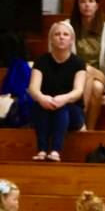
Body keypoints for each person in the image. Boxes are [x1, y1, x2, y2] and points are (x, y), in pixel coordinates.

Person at [28, 21, 86, 161]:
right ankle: (41, 150)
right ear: (51, 39)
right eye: (57, 34)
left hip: (72, 113)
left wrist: (64, 98)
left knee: (62, 108)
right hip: (46, 108)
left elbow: (78, 91)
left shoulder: (78, 62)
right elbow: (33, 88)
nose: (61, 37)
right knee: (40, 106)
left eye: (65, 34)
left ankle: (55, 150)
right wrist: (41, 98)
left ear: (71, 40)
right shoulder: (41, 61)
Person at [67, 0, 105, 130]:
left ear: (97, 5)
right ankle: (89, 130)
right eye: (82, 1)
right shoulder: (68, 26)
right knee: (96, 87)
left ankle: (78, 118)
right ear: (77, 6)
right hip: (75, 75)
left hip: (99, 73)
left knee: (88, 70)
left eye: (91, 1)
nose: (87, 5)